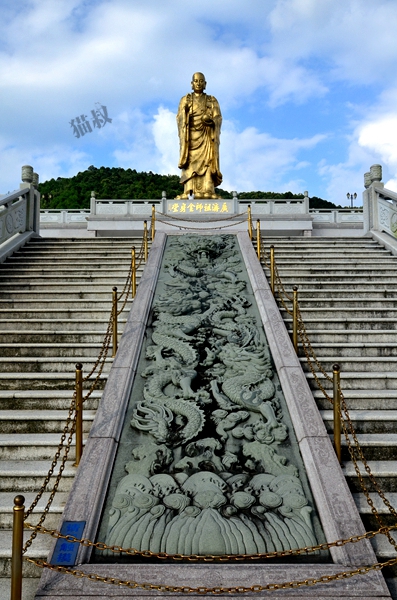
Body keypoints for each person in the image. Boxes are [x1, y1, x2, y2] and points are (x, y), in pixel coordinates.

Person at [176, 72, 222, 199]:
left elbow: (218, 117)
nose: (198, 83)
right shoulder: (185, 100)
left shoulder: (212, 100)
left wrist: (212, 122)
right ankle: (189, 190)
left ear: (205, 84)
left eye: (201, 81)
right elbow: (180, 118)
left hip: (207, 135)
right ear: (192, 84)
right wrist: (184, 114)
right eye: (196, 81)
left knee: (208, 161)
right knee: (190, 162)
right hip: (190, 139)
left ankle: (208, 189)